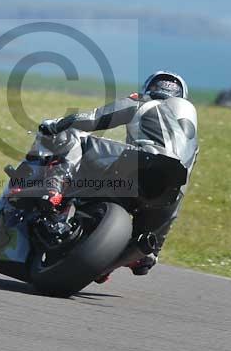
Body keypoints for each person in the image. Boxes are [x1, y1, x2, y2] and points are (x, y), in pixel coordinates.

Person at [36, 70, 199, 277]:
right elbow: (181, 189)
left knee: (72, 136)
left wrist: (56, 124)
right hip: (169, 193)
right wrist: (155, 248)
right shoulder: (194, 144)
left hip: (141, 162)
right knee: (144, 252)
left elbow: (94, 118)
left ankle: (54, 190)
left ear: (149, 87)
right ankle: (120, 260)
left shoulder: (143, 100)